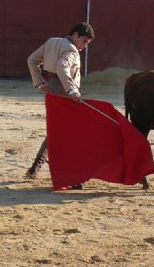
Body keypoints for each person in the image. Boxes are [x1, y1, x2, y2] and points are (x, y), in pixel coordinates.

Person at [26, 22, 96, 189]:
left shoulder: (52, 41)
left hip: (52, 89)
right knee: (68, 134)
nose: (84, 46)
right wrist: (72, 91)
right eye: (84, 41)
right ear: (76, 35)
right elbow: (62, 68)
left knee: (56, 131)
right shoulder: (71, 49)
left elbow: (32, 60)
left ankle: (35, 168)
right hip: (64, 92)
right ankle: (72, 177)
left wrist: (39, 82)